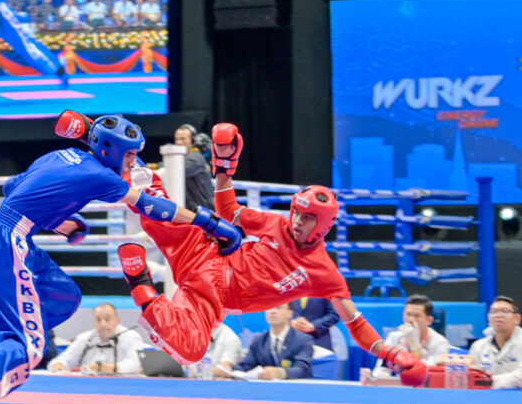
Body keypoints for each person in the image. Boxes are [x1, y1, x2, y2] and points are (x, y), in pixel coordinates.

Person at [0, 111, 242, 404]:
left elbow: (13, 188)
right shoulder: (101, 175)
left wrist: (61, 221)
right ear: (111, 151)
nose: (133, 161)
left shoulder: (60, 155)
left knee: (64, 296)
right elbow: (152, 205)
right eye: (130, 155)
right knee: (30, 346)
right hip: (10, 243)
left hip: (9, 236)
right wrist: (208, 222)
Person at [115, 121, 427, 390]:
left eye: (307, 218)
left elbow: (355, 323)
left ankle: (140, 281)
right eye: (297, 212)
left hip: (211, 295)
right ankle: (120, 151)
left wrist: (390, 354)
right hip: (205, 253)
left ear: (323, 226)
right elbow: (230, 212)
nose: (297, 220)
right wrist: (223, 170)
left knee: (190, 349)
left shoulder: (325, 273)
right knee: (155, 207)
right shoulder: (276, 223)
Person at [48, 303, 143, 375]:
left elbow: (134, 365)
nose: (103, 324)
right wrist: (59, 365)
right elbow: (62, 360)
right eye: (98, 320)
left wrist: (100, 367)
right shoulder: (85, 338)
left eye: (108, 319)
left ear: (117, 320)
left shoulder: (132, 337)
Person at [371, 294, 450, 378]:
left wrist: (414, 344)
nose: (411, 320)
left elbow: (428, 375)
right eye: (408, 314)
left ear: (429, 320)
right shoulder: (394, 337)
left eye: (417, 316)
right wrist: (384, 377)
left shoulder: (440, 343)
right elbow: (380, 371)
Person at [231, 302, 314, 380]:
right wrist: (230, 371)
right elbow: (246, 366)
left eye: (279, 308)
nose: (272, 311)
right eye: (269, 307)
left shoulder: (303, 340)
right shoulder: (259, 340)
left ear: (290, 313)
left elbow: (303, 369)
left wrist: (281, 372)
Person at [461, 296, 522, 389]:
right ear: (488, 319)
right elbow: (472, 376)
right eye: (493, 311)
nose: (498, 315)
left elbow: (520, 377)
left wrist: (487, 381)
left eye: (505, 311)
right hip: (486, 395)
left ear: (517, 319)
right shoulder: (478, 346)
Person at [172, 124, 214, 211]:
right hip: (193, 209)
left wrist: (156, 168)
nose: (179, 142)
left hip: (203, 211)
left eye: (183, 139)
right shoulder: (183, 158)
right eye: (177, 139)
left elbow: (176, 170)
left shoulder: (195, 158)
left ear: (193, 140)